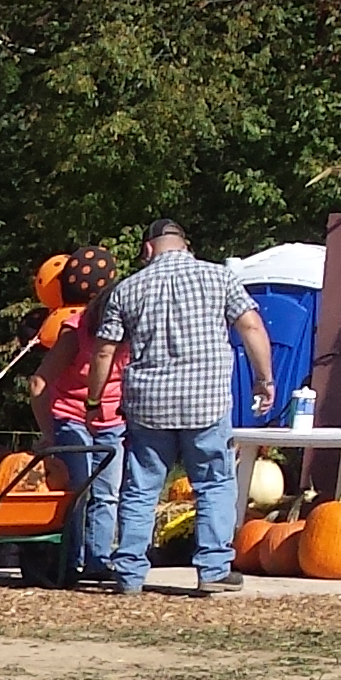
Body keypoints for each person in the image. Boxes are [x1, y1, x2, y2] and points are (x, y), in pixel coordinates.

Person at [85, 218, 277, 596]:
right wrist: (264, 379)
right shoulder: (219, 278)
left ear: (147, 251)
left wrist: (94, 400)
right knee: (215, 484)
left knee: (141, 489)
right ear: (185, 246)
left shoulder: (127, 289)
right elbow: (251, 326)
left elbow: (105, 349)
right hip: (205, 403)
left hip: (148, 406)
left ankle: (129, 573)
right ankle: (213, 569)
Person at [31, 247, 127, 585]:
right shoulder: (75, 331)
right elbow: (40, 381)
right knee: (78, 491)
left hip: (112, 422)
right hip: (72, 418)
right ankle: (69, 562)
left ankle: (99, 561)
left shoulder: (128, 332)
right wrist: (50, 434)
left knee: (108, 493)